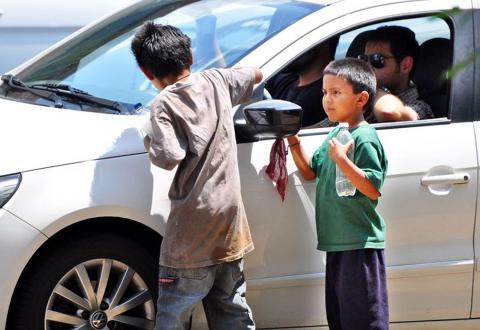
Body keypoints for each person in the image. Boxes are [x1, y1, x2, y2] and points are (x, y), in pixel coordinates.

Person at [131, 22, 262, 329]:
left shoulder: (163, 103)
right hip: (229, 226)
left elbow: (168, 157)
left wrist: (148, 139)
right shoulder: (217, 79)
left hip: (191, 235)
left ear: (147, 73)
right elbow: (256, 74)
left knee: (174, 314)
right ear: (190, 57)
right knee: (232, 308)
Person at [287, 58, 389, 329]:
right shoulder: (336, 133)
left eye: (336, 93)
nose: (327, 100)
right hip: (336, 244)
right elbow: (311, 171)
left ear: (361, 98)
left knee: (364, 319)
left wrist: (344, 160)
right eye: (324, 92)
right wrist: (292, 140)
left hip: (359, 243)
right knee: (340, 318)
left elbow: (372, 188)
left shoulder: (365, 137)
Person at [360, 25, 434, 122]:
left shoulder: (420, 108)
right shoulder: (366, 100)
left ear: (405, 65)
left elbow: (389, 112)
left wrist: (370, 86)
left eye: (377, 59)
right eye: (364, 59)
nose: (367, 66)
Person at [265, 38, 338, 127]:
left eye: (295, 41)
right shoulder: (284, 78)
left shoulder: (321, 99)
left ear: (322, 43)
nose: (287, 48)